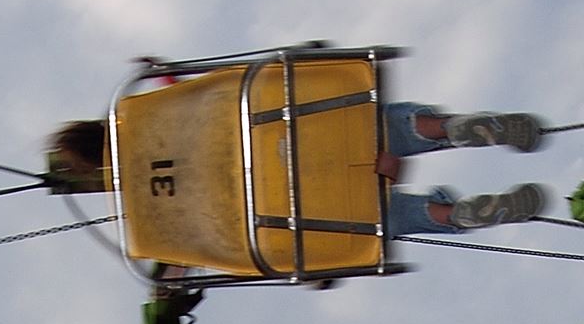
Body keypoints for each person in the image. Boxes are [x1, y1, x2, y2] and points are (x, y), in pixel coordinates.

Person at [44, 101, 549, 237]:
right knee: (373, 124)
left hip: (294, 206)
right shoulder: (154, 116)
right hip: (291, 140)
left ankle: (453, 215)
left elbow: (201, 249)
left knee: (377, 221)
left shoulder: (149, 213)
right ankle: (446, 129)